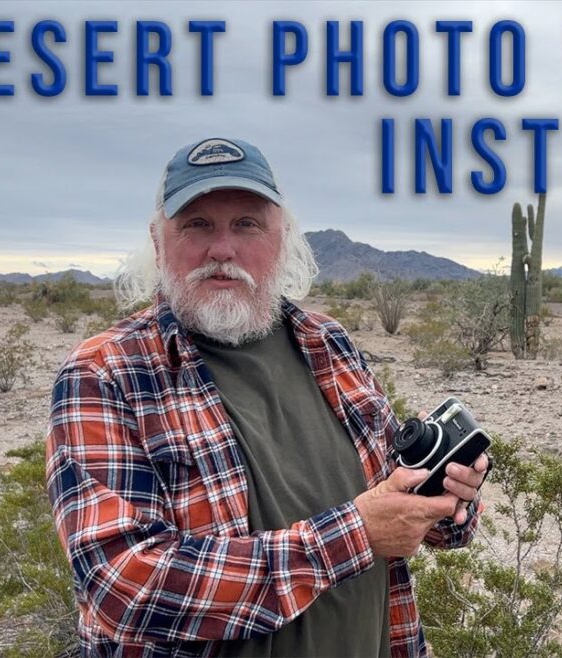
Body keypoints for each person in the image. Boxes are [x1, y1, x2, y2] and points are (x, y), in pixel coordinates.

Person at [45, 137, 489, 657]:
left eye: (247, 224)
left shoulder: (330, 344)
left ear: (283, 238)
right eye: (197, 224)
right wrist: (356, 535)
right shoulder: (106, 373)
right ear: (157, 240)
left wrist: (445, 501)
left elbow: (394, 506)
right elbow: (123, 584)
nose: (222, 249)